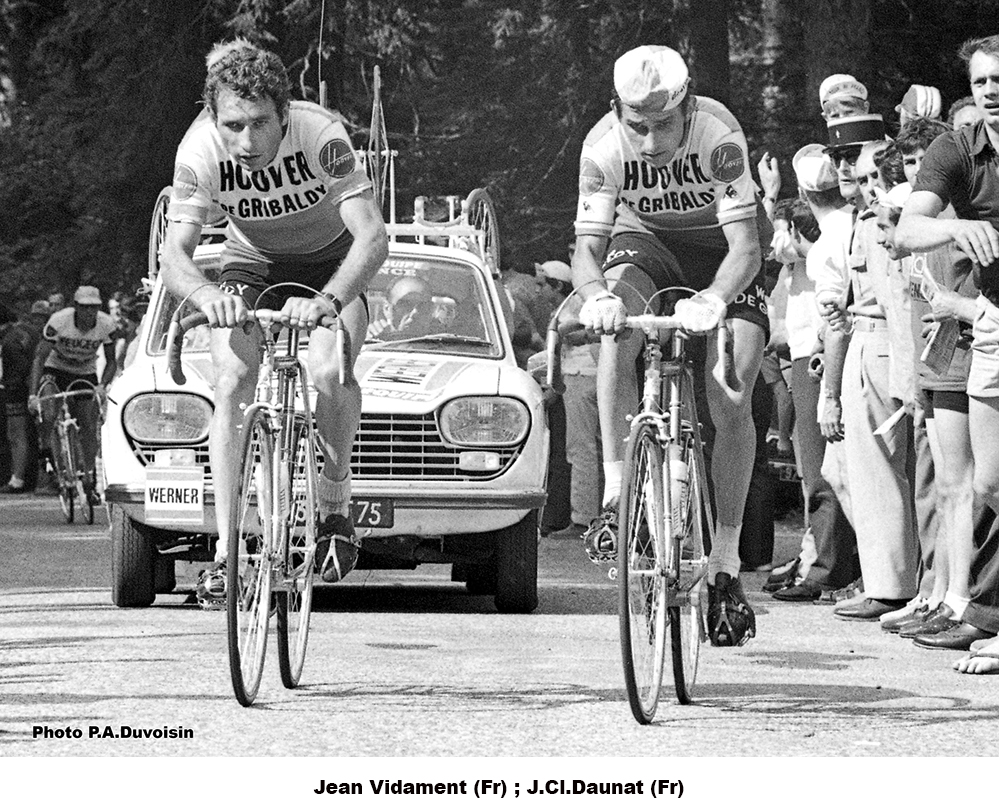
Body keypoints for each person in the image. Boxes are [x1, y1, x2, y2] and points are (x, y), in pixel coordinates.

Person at [159, 39, 388, 609]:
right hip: (250, 262)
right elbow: (174, 255)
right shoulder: (199, 151)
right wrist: (208, 294)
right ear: (214, 117)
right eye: (234, 124)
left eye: (262, 123)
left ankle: (335, 511)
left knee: (330, 369)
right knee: (233, 376)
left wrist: (332, 299)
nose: (248, 141)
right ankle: (229, 549)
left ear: (285, 114)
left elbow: (372, 237)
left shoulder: (320, 134)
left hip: (328, 262)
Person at [572, 45, 771, 646]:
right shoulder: (602, 147)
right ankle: (616, 494)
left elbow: (746, 251)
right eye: (639, 127)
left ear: (686, 108)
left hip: (723, 252)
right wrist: (596, 296)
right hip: (646, 245)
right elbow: (586, 249)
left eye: (664, 125)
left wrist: (713, 300)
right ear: (617, 111)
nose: (653, 142)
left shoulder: (717, 134)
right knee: (617, 333)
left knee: (730, 382)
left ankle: (727, 564)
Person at [894, 34, 999, 654]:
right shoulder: (955, 148)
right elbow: (906, 229)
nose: (992, 90)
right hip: (989, 323)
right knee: (987, 485)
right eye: (983, 81)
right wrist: (960, 224)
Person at [28, 286, 117, 501]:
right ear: (76, 307)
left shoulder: (106, 325)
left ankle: (89, 477)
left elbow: (112, 361)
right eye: (85, 307)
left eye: (94, 308)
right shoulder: (59, 321)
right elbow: (39, 358)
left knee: (88, 422)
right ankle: (48, 450)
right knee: (49, 412)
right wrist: (33, 396)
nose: (89, 313)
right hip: (56, 368)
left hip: (85, 370)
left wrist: (102, 385)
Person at [0, 301, 48, 493]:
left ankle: (17, 479)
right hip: (40, 386)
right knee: (39, 434)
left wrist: (11, 386)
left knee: (16, 435)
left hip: (19, 390)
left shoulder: (9, 340)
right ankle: (40, 478)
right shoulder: (27, 331)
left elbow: (19, 367)